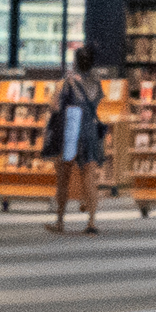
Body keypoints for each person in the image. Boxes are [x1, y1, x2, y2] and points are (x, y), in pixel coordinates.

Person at [44, 46, 112, 232]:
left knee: (64, 177)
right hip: (89, 129)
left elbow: (54, 106)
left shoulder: (68, 82)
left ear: (75, 62)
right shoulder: (96, 83)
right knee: (89, 177)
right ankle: (91, 222)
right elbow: (99, 106)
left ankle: (60, 221)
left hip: (71, 128)